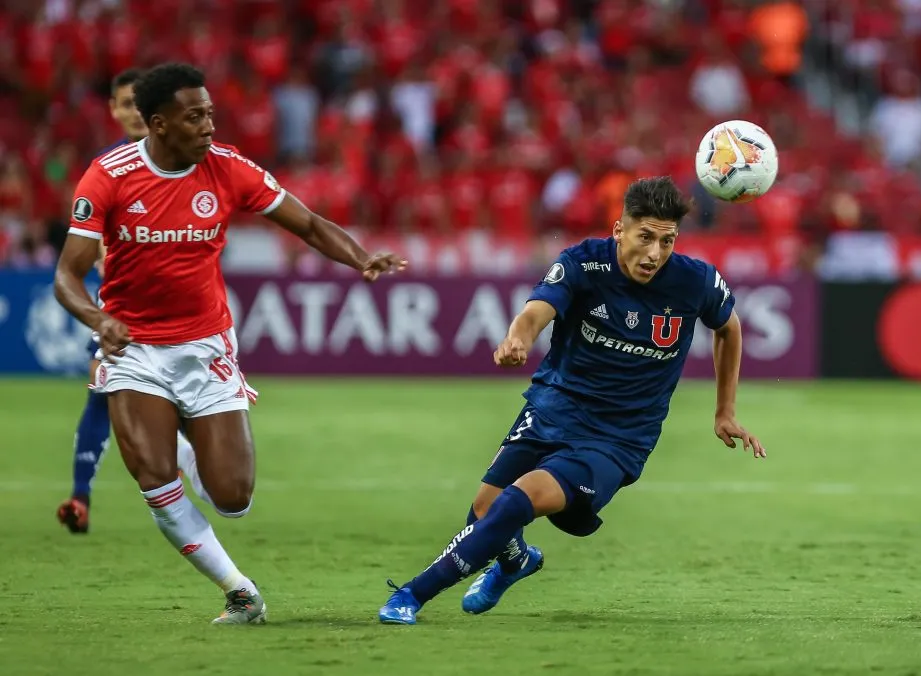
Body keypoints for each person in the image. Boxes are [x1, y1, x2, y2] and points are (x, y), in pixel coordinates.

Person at [54, 62, 405, 624]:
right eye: (194, 117)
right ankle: (240, 592)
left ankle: (187, 444)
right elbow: (66, 276)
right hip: (133, 350)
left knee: (233, 498)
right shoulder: (109, 175)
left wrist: (361, 257)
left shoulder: (228, 168)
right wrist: (99, 319)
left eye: (211, 113)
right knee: (153, 478)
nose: (209, 126)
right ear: (158, 124)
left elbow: (309, 225)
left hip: (206, 347)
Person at [378, 176, 766, 625]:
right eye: (645, 238)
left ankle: (411, 594)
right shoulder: (584, 263)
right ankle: (515, 562)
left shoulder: (694, 280)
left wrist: (725, 411)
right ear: (619, 230)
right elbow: (535, 312)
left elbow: (729, 328)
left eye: (667, 241)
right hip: (552, 406)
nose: (656, 253)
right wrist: (517, 339)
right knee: (484, 511)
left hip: (617, 438)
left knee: (514, 502)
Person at [56, 68, 204, 534]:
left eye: (139, 105)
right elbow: (86, 235)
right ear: (114, 111)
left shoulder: (188, 155)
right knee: (102, 394)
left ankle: (179, 459)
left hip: (182, 310)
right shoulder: (105, 168)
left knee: (165, 396)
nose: (134, 114)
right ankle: (81, 496)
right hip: (123, 306)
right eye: (124, 105)